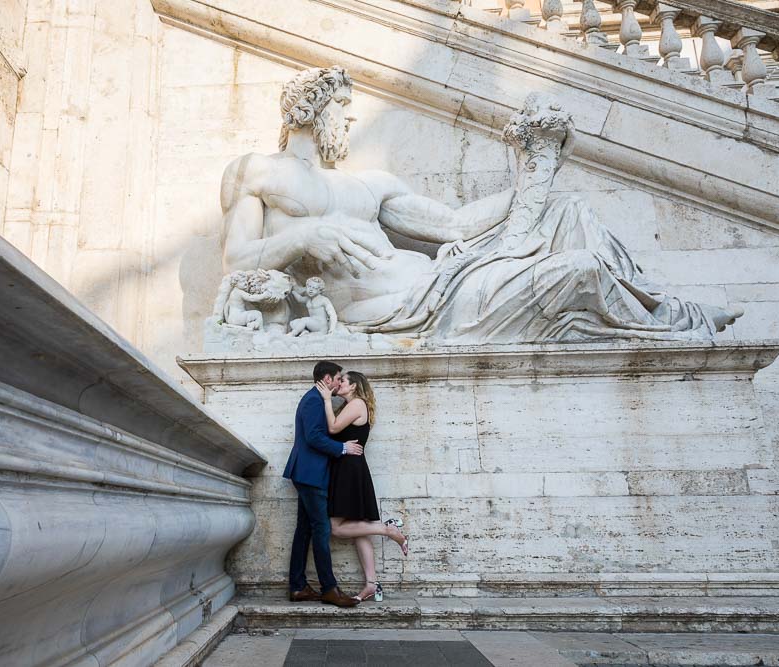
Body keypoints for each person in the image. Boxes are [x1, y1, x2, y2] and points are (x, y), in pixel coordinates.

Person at [219, 65, 742, 342]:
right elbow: (236, 260)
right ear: (312, 108)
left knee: (568, 210)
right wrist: (303, 236)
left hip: (443, 282)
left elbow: (454, 224)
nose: (350, 122)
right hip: (402, 310)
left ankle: (667, 310)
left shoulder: (369, 185)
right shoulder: (259, 171)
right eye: (343, 109)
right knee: (579, 269)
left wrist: (537, 168)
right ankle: (678, 323)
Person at [317, 371, 408, 603]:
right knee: (360, 529)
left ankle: (387, 529)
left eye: (344, 381)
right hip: (350, 467)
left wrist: (327, 400)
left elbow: (334, 428)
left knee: (336, 528)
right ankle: (371, 584)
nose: (339, 383)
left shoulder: (357, 403)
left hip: (349, 469)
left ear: (354, 386)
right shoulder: (354, 404)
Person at [283, 360, 364, 607]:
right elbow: (314, 436)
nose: (340, 382)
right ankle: (329, 588)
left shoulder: (318, 399)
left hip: (309, 473)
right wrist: (342, 447)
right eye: (338, 378)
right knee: (322, 529)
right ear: (327, 379)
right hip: (310, 474)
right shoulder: (313, 400)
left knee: (305, 529)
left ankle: (298, 587)